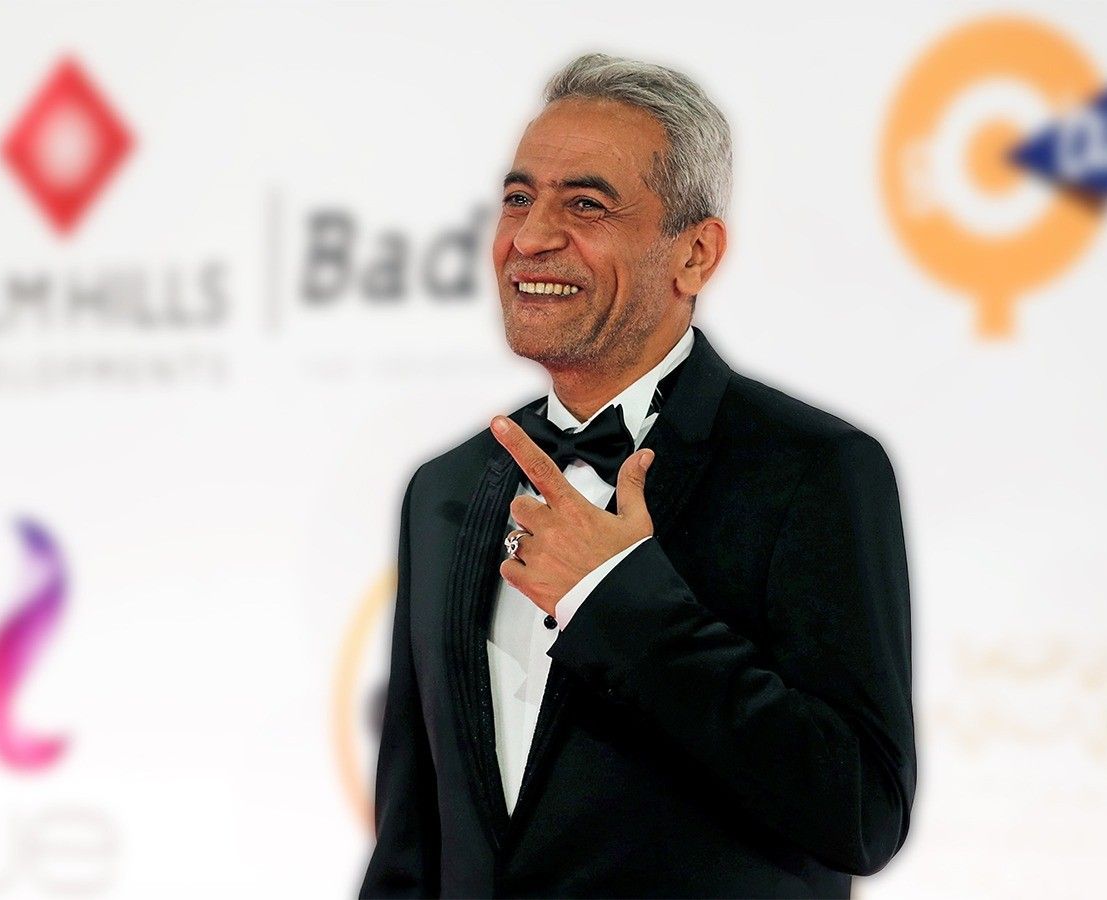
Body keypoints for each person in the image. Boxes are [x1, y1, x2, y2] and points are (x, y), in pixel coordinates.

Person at [360, 52, 916, 898]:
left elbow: (862, 811)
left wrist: (614, 596)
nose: (530, 238)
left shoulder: (812, 470)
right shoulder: (445, 490)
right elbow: (412, 844)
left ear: (695, 254)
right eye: (519, 198)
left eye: (585, 204)